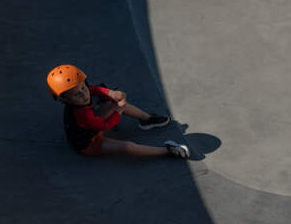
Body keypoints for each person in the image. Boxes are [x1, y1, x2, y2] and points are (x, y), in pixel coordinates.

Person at [46, 64, 189, 158]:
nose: (84, 95)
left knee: (114, 103)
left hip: (92, 125)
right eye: (77, 94)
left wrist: (110, 93)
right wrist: (118, 112)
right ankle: (167, 151)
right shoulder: (81, 115)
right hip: (89, 143)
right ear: (65, 100)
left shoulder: (81, 95)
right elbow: (103, 126)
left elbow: (93, 89)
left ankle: (147, 119)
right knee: (127, 147)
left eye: (83, 88)